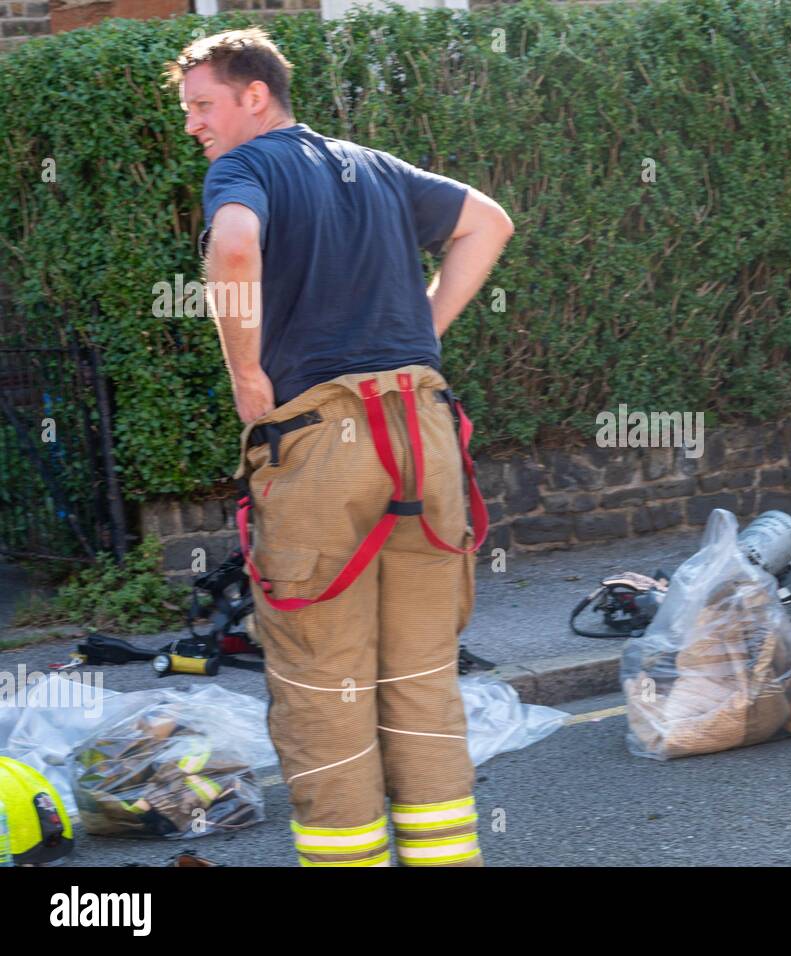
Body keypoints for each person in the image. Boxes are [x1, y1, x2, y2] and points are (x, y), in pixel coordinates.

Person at [165, 26, 513, 866]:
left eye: (202, 106)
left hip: (321, 445)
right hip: (422, 437)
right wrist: (419, 333)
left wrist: (246, 372)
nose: (193, 126)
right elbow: (489, 223)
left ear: (255, 95)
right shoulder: (378, 166)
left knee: (325, 680)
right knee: (421, 676)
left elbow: (236, 245)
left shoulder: (244, 169)